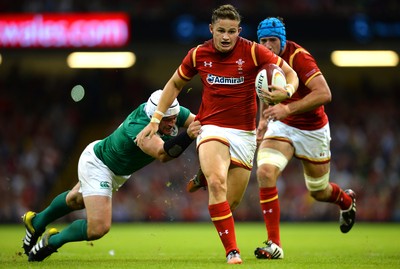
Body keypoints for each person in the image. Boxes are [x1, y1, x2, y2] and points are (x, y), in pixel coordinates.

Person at [135, 5, 299, 264]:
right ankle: (232, 251)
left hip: (244, 135)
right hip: (211, 127)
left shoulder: (255, 51)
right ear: (211, 29)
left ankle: (206, 175)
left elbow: (290, 73)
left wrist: (287, 91)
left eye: (231, 31)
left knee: (228, 205)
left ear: (239, 32)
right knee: (217, 184)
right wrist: (156, 120)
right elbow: (175, 84)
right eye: (220, 31)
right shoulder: (198, 54)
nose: (225, 36)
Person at [22, 89, 201, 262]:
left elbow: (201, 122)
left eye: (174, 119)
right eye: (167, 120)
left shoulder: (169, 108)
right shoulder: (139, 127)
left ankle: (36, 222)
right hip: (99, 164)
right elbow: (163, 154)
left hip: (115, 170)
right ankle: (51, 241)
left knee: (76, 200)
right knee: (98, 228)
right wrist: (188, 136)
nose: (172, 124)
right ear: (154, 116)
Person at [253, 17, 357, 259]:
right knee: (265, 172)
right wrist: (262, 121)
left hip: (312, 129)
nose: (267, 45)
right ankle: (274, 244)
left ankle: (346, 200)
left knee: (318, 191)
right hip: (282, 125)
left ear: (283, 39)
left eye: (272, 40)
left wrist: (288, 108)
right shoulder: (261, 57)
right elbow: (263, 89)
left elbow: (324, 93)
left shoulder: (300, 56)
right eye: (263, 40)